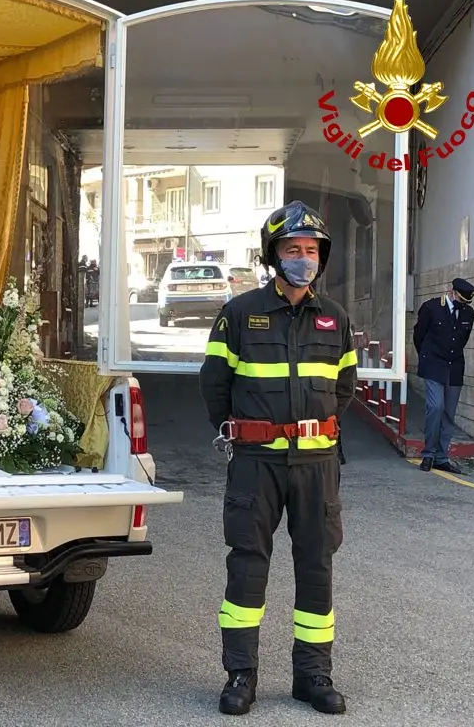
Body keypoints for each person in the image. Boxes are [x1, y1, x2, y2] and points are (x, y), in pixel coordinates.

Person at [199, 201, 358, 717]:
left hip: (317, 468)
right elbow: (214, 386)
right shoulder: (240, 313)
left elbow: (345, 388)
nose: (303, 258)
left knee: (316, 568)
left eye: (311, 251)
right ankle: (240, 675)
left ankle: (313, 675)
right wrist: (248, 433)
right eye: (293, 249)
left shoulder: (335, 318)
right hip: (255, 464)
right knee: (247, 568)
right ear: (274, 255)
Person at [412, 277, 474, 474]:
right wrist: (426, 357)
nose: (463, 304)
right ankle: (428, 454)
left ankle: (442, 457)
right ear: (452, 292)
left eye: (466, 302)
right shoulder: (431, 307)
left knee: (449, 413)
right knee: (435, 407)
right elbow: (419, 335)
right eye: (461, 299)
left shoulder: (469, 313)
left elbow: (461, 340)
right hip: (433, 364)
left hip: (454, 367)